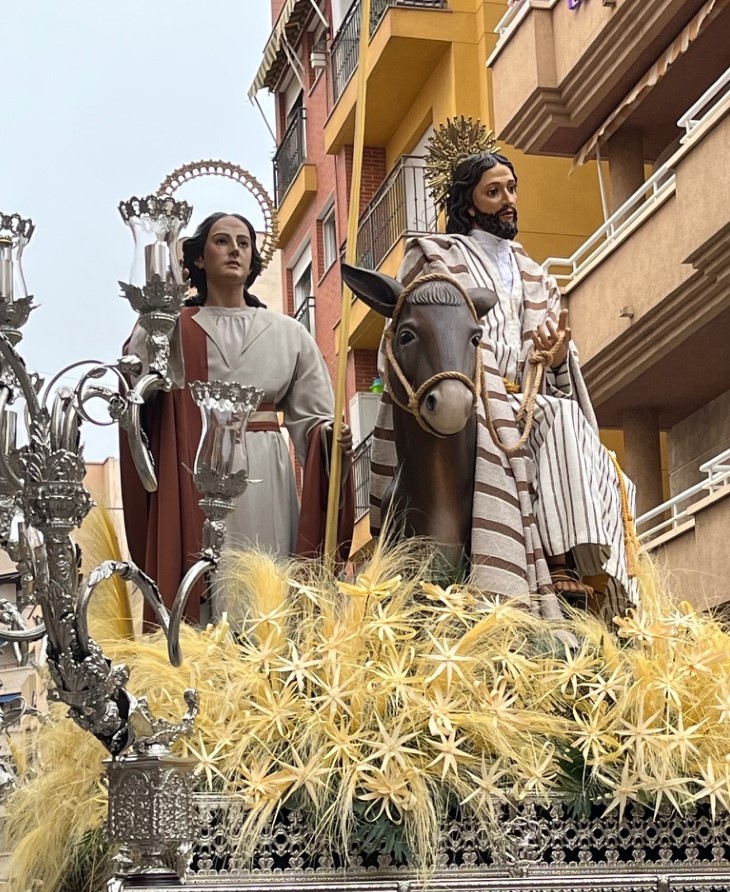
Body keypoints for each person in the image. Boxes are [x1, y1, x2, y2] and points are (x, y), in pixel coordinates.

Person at [360, 122, 635, 618]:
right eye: (494, 191)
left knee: (571, 426)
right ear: (468, 204)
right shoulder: (437, 254)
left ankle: (576, 560)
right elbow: (416, 322)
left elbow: (554, 355)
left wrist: (555, 358)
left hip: (526, 396)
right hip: (469, 391)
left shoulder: (534, 271)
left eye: (511, 188)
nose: (508, 199)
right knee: (558, 422)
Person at [119, 210, 339, 619]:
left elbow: (314, 423)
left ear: (254, 257)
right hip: (197, 468)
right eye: (222, 241)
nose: (235, 249)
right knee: (207, 573)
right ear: (198, 258)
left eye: (244, 242)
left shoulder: (288, 332)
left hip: (265, 468)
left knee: (267, 576)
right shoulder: (175, 325)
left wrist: (332, 438)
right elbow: (137, 373)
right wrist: (163, 301)